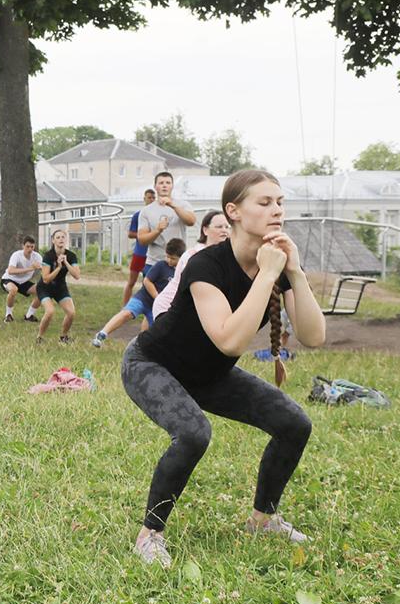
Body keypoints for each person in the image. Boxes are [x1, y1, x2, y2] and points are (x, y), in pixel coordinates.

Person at [125, 169, 326, 567]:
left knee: (294, 424)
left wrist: (295, 272)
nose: (277, 211)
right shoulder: (206, 264)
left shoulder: (277, 265)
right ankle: (149, 535)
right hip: (152, 363)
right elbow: (230, 340)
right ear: (233, 211)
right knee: (193, 432)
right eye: (264, 203)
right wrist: (268, 273)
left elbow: (313, 335)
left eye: (280, 203)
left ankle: (262, 519)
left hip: (209, 375)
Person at [93, 238, 185, 346]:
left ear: (182, 258)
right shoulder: (161, 265)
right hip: (143, 298)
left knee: (153, 333)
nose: (169, 260)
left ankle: (141, 348)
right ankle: (102, 334)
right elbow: (147, 281)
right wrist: (157, 297)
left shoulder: (181, 272)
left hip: (157, 308)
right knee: (127, 313)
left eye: (172, 258)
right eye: (167, 256)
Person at [153, 210, 232, 319]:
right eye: (219, 227)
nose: (224, 231)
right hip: (168, 308)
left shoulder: (224, 255)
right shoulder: (194, 256)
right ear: (205, 230)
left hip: (191, 309)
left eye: (227, 227)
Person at [136, 172, 197, 268]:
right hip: (154, 263)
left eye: (168, 183)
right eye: (161, 183)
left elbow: (191, 221)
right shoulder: (146, 211)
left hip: (178, 262)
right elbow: (142, 240)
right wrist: (157, 230)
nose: (164, 185)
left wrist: (172, 205)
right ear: (155, 186)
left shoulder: (183, 205)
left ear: (172, 186)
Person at [35, 229, 80, 343]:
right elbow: (45, 279)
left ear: (66, 240)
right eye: (58, 237)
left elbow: (77, 275)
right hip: (45, 287)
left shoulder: (71, 255)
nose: (61, 239)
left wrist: (66, 263)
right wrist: (59, 267)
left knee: (71, 313)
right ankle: (39, 337)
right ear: (53, 240)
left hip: (60, 287)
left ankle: (63, 337)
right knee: (50, 311)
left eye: (63, 237)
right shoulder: (48, 256)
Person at [122, 188, 157, 305]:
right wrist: (145, 235)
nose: (151, 200)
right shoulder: (138, 215)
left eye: (153, 198)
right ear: (144, 199)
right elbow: (130, 234)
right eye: (149, 197)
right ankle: (125, 307)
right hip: (140, 253)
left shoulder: (159, 216)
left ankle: (150, 307)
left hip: (153, 255)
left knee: (150, 282)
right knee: (131, 282)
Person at [2, 236, 44, 323]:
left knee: (42, 291)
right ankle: (8, 315)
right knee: (13, 290)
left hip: (23, 282)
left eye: (32, 247)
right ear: (23, 246)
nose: (30, 249)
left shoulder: (37, 257)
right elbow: (10, 271)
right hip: (9, 279)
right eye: (27, 246)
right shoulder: (16, 255)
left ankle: (29, 316)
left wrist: (43, 269)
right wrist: (30, 268)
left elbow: (45, 270)